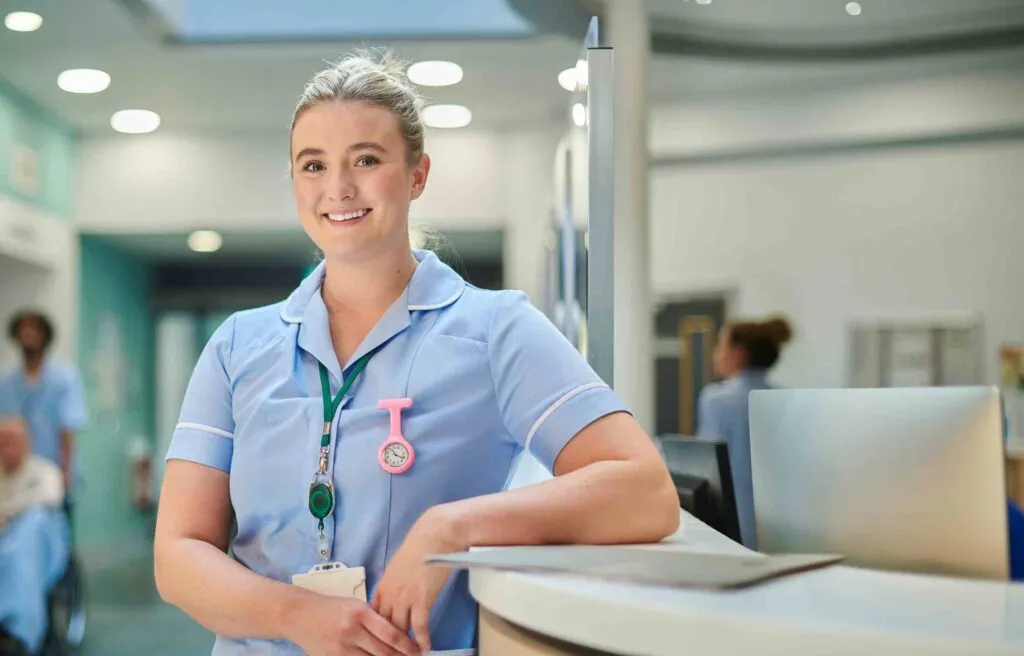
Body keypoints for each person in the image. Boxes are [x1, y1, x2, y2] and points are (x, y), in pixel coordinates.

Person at [154, 51, 680, 656]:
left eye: (367, 160)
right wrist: (297, 615)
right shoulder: (237, 346)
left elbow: (644, 491)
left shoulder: (494, 329)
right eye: (313, 165)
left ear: (417, 174)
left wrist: (451, 527)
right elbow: (179, 554)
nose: (338, 188)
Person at [696, 316, 792, 549]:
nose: (716, 354)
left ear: (738, 353)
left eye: (720, 345)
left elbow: (705, 471)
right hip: (784, 525)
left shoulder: (717, 400)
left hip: (734, 523)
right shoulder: (786, 399)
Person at [0, 417, 69, 656]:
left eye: (12, 441)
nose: (6, 447)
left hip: (39, 545)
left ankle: (21, 633)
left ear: (26, 442)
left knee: (33, 522)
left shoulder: (44, 470)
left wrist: (8, 513)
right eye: (2, 442)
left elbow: (51, 497)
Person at [0, 310, 87, 496]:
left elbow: (68, 430)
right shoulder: (6, 383)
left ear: (45, 336)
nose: (28, 335)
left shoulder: (64, 379)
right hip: (16, 479)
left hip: (54, 474)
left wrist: (65, 476)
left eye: (34, 329)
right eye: (23, 330)